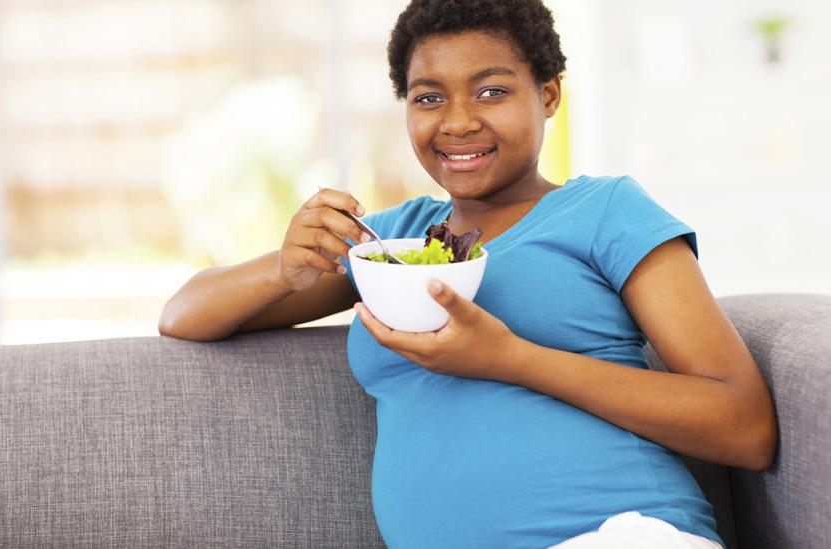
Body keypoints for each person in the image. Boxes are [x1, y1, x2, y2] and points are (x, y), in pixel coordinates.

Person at [158, 0, 778, 547]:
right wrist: (286, 267)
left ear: (549, 94)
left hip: (619, 531)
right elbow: (184, 315)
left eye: (491, 91)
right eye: (428, 97)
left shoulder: (605, 211)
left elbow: (744, 426)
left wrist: (508, 358)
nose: (456, 122)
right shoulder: (391, 243)